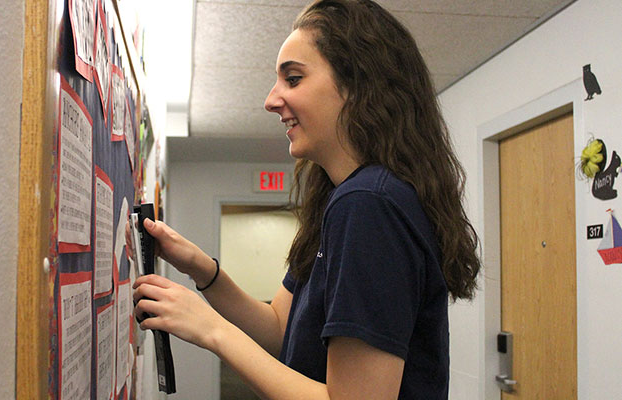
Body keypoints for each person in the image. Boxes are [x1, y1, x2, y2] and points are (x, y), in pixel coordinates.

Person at [130, 0, 481, 398]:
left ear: (358, 85)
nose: (271, 100)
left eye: (293, 79)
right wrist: (202, 271)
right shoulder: (342, 199)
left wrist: (212, 330)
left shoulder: (369, 204)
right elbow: (282, 328)